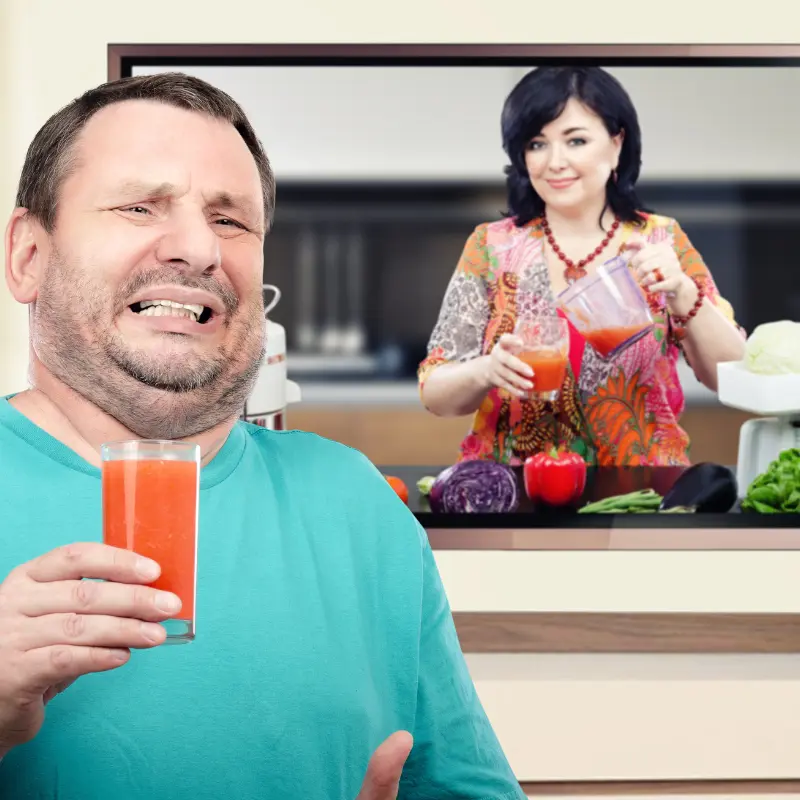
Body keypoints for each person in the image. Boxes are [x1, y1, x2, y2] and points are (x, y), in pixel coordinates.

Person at [0, 73, 525, 800]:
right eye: (139, 206)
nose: (196, 249)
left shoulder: (355, 503)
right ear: (27, 255)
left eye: (230, 221)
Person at [419, 67, 746, 467]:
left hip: (640, 494)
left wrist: (683, 293)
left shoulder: (663, 240)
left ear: (616, 145)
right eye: (537, 144)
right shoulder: (491, 246)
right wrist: (487, 370)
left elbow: (731, 376)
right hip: (515, 494)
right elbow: (435, 392)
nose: (555, 162)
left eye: (576, 140)